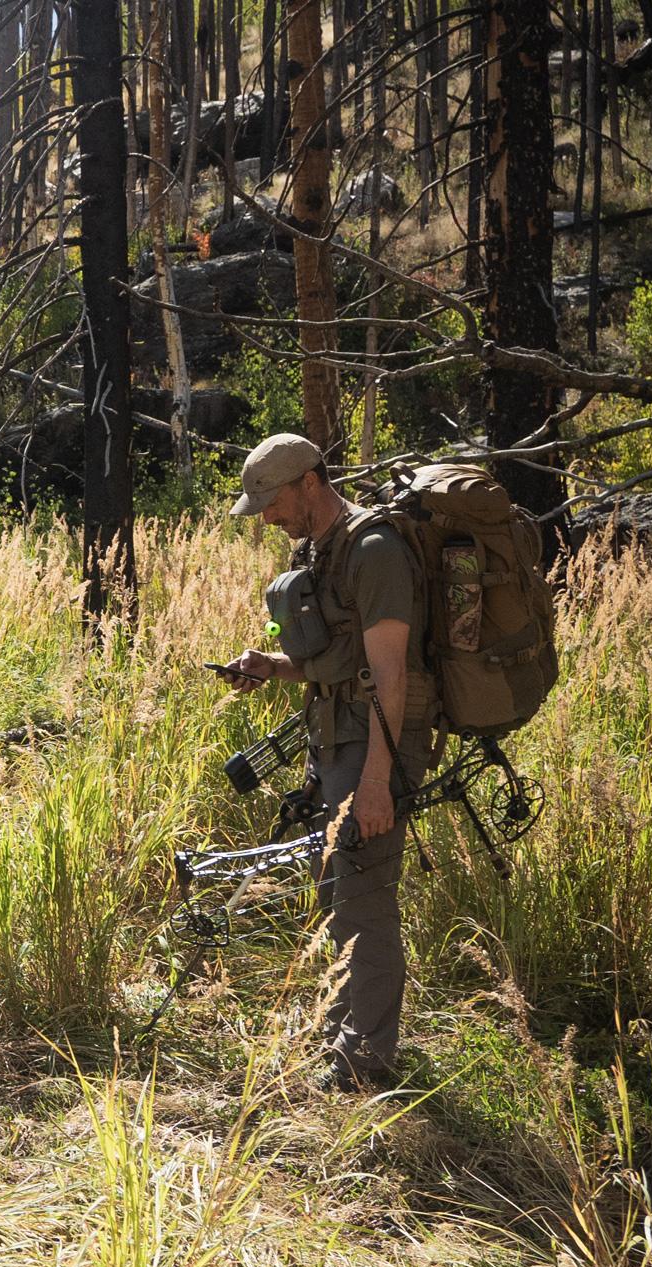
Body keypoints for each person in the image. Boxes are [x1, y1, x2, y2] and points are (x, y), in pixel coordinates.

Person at [219, 433, 436, 1091]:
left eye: (272, 501)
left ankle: (364, 1070)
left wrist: (376, 783)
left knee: (365, 904)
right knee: (336, 898)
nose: (266, 515)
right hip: (334, 742)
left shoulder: (373, 551)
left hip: (377, 749)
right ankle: (342, 1041)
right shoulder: (321, 550)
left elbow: (389, 676)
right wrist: (274, 667)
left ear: (309, 483)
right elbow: (338, 663)